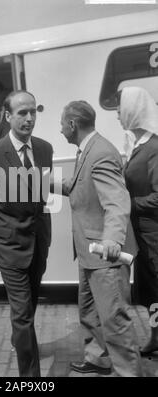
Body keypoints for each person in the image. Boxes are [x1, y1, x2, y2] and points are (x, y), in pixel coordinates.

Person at [0, 90, 53, 377]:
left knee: (26, 309)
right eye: (22, 113)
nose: (29, 118)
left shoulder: (44, 149)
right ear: (8, 116)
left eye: (33, 112)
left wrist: (47, 234)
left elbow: (44, 196)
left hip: (38, 242)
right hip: (9, 245)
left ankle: (20, 339)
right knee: (22, 314)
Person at [54, 100, 142, 376]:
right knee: (90, 313)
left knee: (114, 319)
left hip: (105, 254)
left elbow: (116, 201)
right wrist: (44, 181)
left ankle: (129, 372)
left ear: (72, 125)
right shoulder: (88, 150)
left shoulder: (100, 152)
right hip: (88, 251)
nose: (60, 130)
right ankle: (99, 358)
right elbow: (78, 187)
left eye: (61, 124)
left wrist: (113, 240)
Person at [117, 86, 158, 356]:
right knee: (152, 292)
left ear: (133, 110)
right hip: (141, 233)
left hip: (153, 233)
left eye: (121, 108)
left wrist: (129, 204)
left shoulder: (154, 147)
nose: (118, 113)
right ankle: (156, 337)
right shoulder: (135, 144)